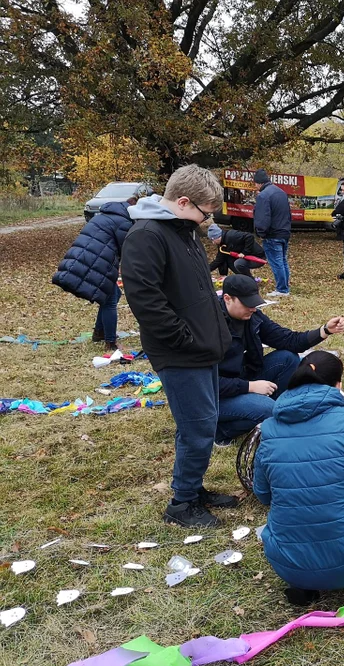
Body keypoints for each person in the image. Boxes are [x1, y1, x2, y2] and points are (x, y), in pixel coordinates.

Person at [121, 165, 235, 528]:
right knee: (198, 427)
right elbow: (145, 298)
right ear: (183, 201)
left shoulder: (183, 230)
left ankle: (193, 486)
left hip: (203, 346)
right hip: (182, 352)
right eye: (206, 212)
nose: (208, 219)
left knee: (202, 422)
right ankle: (182, 504)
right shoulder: (147, 235)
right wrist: (182, 338)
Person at [253, 350, 344, 603]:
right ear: (339, 385)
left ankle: (304, 584)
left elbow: (264, 495)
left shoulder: (269, 429)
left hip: (288, 564)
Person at [215, 274, 344, 445]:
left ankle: (279, 414)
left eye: (255, 303)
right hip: (215, 396)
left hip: (243, 377)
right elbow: (205, 382)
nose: (253, 308)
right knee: (268, 408)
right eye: (248, 304)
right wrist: (250, 387)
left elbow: (289, 340)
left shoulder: (252, 317)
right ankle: (221, 432)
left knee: (288, 358)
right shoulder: (209, 325)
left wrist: (324, 330)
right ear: (227, 299)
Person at [52, 196, 136, 351]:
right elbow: (128, 248)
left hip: (85, 257)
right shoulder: (123, 222)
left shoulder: (106, 215)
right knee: (109, 301)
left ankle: (99, 332)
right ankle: (110, 343)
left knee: (113, 295)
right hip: (96, 261)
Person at [253, 169, 293, 297]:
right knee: (282, 260)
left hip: (272, 234)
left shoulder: (263, 196)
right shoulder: (281, 192)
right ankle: (285, 286)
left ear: (259, 183)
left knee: (277, 262)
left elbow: (263, 217)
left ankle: (282, 289)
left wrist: (261, 232)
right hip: (284, 231)